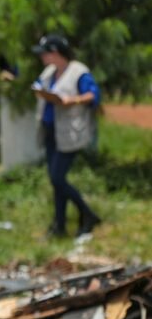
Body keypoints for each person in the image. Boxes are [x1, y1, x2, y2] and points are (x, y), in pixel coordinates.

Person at [32, 34, 101, 237]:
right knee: (55, 180)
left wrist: (72, 100)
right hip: (51, 131)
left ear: (55, 53)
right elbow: (38, 84)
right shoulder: (49, 72)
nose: (42, 58)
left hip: (70, 133)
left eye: (44, 53)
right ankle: (59, 224)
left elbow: (93, 94)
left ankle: (87, 213)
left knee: (57, 177)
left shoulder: (78, 72)